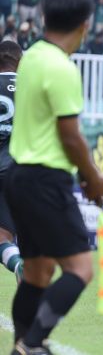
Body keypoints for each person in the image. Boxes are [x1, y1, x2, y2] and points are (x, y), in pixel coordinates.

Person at [5, 0, 103, 355]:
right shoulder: (63, 68)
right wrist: (93, 177)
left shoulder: (30, 56)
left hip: (19, 176)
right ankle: (31, 345)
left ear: (44, 17)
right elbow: (70, 136)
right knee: (80, 270)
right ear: (84, 25)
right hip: (46, 179)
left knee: (37, 274)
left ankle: (21, 343)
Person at [0, 40, 24, 284]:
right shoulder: (30, 86)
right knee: (6, 235)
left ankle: (18, 264)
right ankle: (20, 265)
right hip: (19, 170)